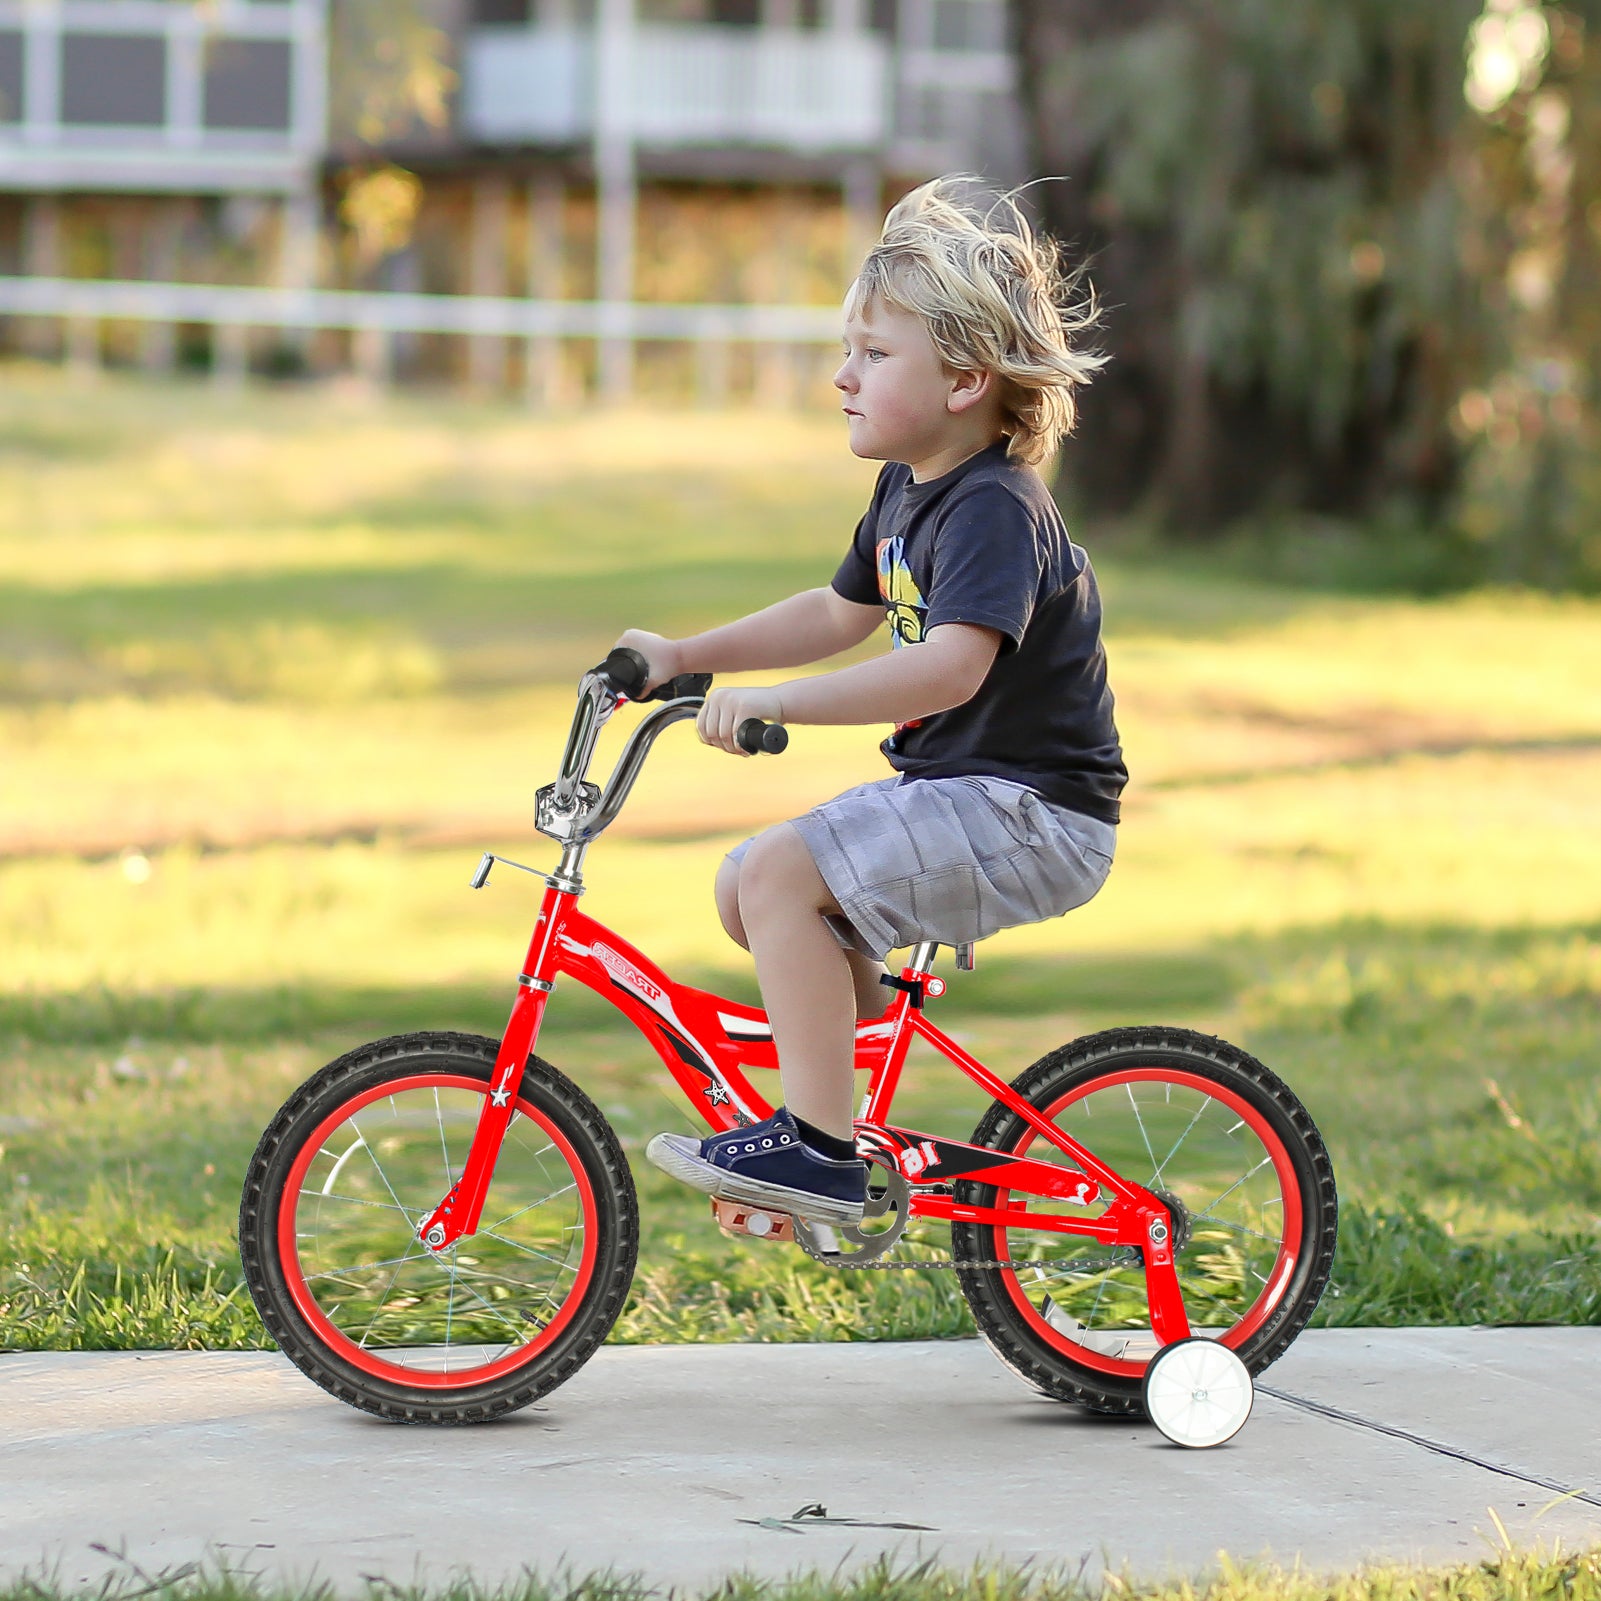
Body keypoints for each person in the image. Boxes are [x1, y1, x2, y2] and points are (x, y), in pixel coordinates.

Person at [624, 177, 1126, 1228]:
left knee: (774, 872)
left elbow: (947, 668)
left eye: (871, 353)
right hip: (974, 795)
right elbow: (833, 609)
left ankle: (814, 1149)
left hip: (1029, 809)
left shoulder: (992, 505)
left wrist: (782, 705)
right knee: (747, 891)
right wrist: (685, 656)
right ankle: (826, 1124)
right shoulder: (906, 490)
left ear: (964, 380)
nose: (840, 377)